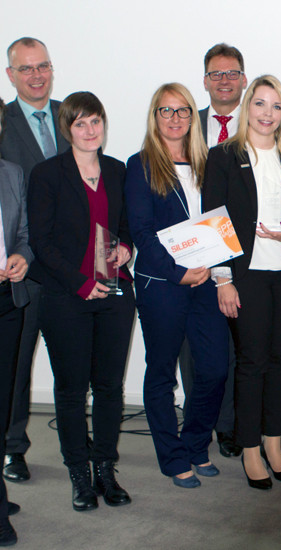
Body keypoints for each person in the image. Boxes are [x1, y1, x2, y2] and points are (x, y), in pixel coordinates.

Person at [27, 91, 135, 511]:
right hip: (66, 297)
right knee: (72, 391)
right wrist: (78, 283)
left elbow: (126, 226)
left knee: (109, 387)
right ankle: (79, 474)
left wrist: (125, 248)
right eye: (81, 124)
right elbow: (42, 241)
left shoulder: (117, 170)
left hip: (114, 293)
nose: (90, 131)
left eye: (96, 122)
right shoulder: (47, 174)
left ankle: (106, 469)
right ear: (67, 129)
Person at [203, 75, 281, 490]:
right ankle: (250, 449)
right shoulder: (223, 156)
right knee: (251, 363)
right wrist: (222, 279)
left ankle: (273, 442)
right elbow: (214, 219)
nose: (268, 113)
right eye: (260, 104)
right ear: (248, 108)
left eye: (276, 106)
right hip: (244, 275)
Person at [124, 83, 229, 489]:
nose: (175, 118)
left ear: (192, 116)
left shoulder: (208, 163)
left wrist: (217, 273)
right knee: (163, 372)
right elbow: (142, 232)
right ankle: (172, 457)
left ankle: (196, 443)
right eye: (166, 111)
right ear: (155, 117)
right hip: (162, 284)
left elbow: (220, 221)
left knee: (215, 367)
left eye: (182, 110)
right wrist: (177, 271)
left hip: (206, 280)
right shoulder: (141, 164)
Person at [1, 37, 69, 484]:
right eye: (26, 69)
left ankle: (77, 449)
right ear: (11, 75)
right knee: (14, 366)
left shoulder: (70, 116)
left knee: (71, 363)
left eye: (42, 65)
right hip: (22, 268)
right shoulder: (1, 122)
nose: (36, 75)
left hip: (66, 267)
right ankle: (12, 449)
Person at [180, 43, 248, 460]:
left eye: (232, 73)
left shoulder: (262, 125)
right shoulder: (184, 127)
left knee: (239, 349)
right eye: (216, 74)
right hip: (194, 257)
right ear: (205, 81)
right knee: (197, 351)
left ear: (243, 79)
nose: (224, 80)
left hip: (243, 256)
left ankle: (231, 425)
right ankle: (200, 424)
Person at [0, 95, 33, 546]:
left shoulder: (11, 173)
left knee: (3, 397)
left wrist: (23, 257)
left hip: (6, 299)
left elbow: (22, 233)